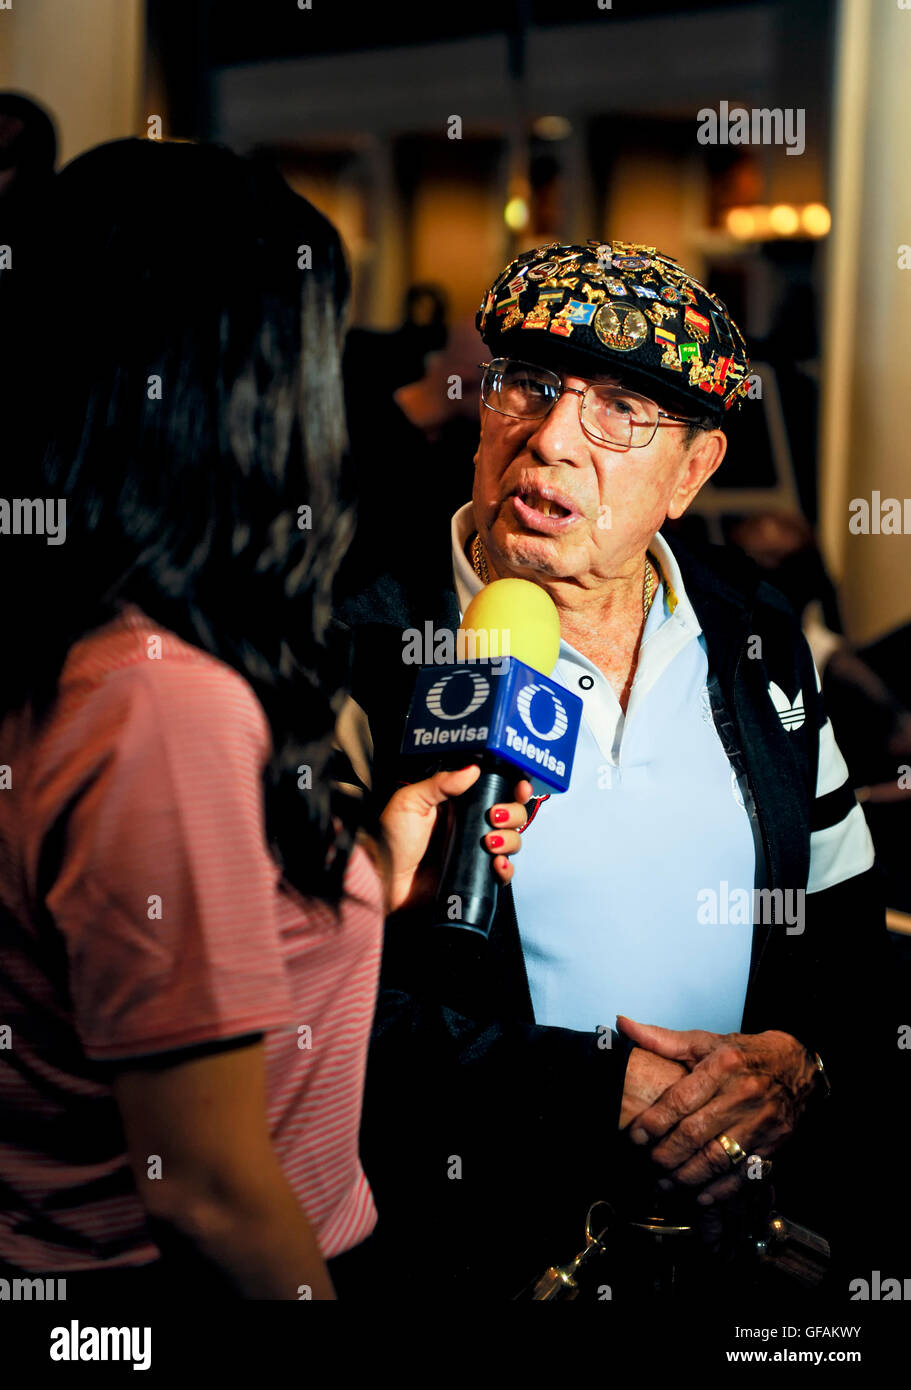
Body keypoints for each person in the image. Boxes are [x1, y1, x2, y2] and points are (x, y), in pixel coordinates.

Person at [0, 138, 526, 1300]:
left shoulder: (103, 634)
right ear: (235, 385)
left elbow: (177, 937)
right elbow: (209, 1186)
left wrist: (373, 859)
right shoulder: (156, 699)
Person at [333, 239, 899, 1299]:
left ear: (692, 471)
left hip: (726, 1253)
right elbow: (298, 1005)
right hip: (468, 1257)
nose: (548, 439)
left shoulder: (753, 636)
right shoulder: (357, 646)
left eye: (618, 412)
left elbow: (847, 942)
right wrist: (592, 1090)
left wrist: (797, 1064)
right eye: (529, 387)